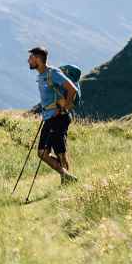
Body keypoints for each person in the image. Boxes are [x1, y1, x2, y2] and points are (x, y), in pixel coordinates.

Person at [27, 47, 79, 184]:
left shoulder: (53, 73)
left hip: (59, 117)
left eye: (31, 58)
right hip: (49, 118)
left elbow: (72, 89)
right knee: (42, 152)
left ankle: (67, 180)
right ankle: (67, 175)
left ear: (38, 59)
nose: (28, 61)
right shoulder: (41, 75)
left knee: (60, 152)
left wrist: (65, 107)